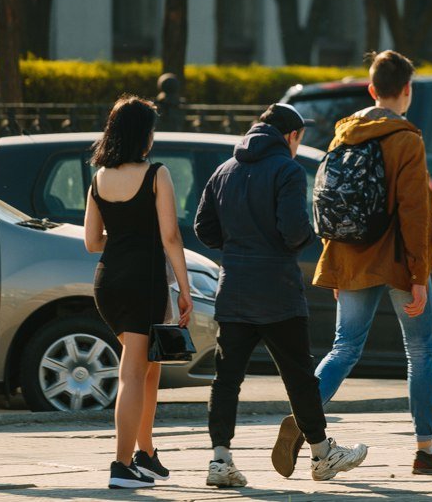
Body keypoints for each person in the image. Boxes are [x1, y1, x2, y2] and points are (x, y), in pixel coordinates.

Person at [273, 50, 432, 476]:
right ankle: (426, 451)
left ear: (372, 89)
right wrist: (419, 275)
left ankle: (306, 416)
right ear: (406, 90)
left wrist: (335, 266)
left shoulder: (343, 135)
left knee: (344, 347)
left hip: (351, 258)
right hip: (395, 261)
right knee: (421, 351)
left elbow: (327, 203)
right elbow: (414, 214)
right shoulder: (406, 139)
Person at [194, 103, 368, 487]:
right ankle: (322, 454)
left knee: (226, 379)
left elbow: (204, 228)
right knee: (299, 377)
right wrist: (305, 239)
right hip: (277, 291)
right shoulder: (287, 170)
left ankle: (220, 460)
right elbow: (292, 230)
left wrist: (238, 246)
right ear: (291, 136)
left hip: (235, 289)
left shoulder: (224, 170)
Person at [84, 94, 193, 489]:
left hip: (108, 281)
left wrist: (126, 233)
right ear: (142, 136)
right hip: (143, 283)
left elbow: (92, 241)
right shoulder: (156, 173)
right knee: (133, 372)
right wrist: (185, 288)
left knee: (149, 367)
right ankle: (121, 465)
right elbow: (170, 236)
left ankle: (145, 453)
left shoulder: (99, 177)